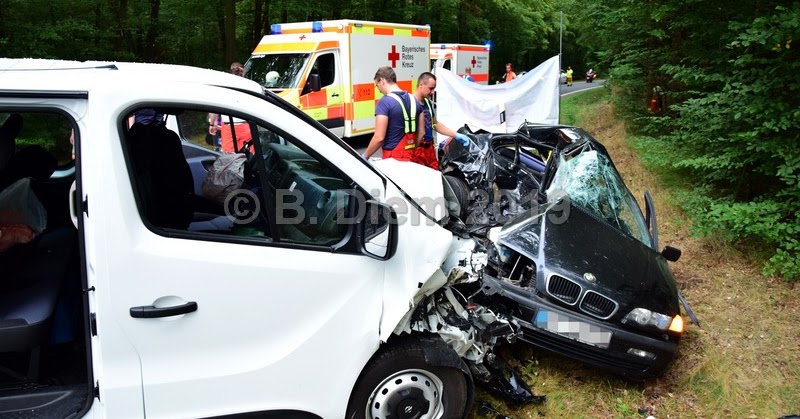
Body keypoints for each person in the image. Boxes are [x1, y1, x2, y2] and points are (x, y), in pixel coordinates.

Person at [363, 66, 424, 161]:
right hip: (412, 155)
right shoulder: (414, 100)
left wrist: (365, 156)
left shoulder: (384, 102)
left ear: (382, 80)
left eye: (377, 85)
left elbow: (379, 137)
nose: (378, 89)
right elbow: (421, 132)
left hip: (393, 158)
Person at [412, 72, 470, 169]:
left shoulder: (427, 103)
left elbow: (435, 124)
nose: (433, 92)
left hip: (429, 150)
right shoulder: (410, 103)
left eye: (434, 88)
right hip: (417, 150)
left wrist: (455, 134)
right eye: (431, 88)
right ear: (421, 84)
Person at [208, 62, 251, 153]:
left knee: (229, 158)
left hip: (229, 128)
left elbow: (215, 106)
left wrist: (213, 124)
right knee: (249, 155)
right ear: (243, 72)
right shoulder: (249, 86)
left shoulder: (224, 87)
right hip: (246, 126)